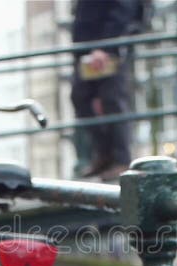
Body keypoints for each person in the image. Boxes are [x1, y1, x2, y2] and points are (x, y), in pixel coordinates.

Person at [71, 0, 141, 181]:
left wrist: (106, 47)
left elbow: (123, 9)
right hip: (86, 50)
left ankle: (121, 159)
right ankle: (104, 154)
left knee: (112, 99)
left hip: (109, 50)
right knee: (80, 98)